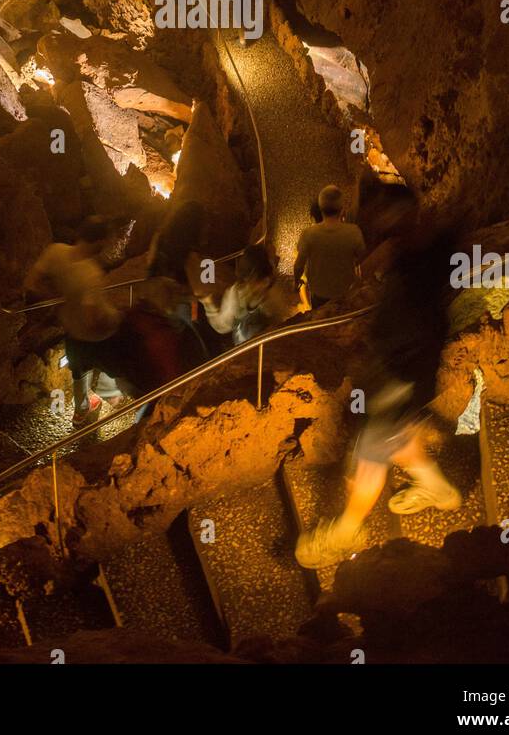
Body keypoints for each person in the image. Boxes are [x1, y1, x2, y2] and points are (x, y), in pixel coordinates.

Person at [295, 189, 462, 570]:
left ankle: (347, 531)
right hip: (399, 370)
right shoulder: (416, 251)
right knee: (394, 438)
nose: (379, 229)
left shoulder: (423, 255)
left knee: (371, 454)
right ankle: (438, 489)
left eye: (384, 220)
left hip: (402, 373)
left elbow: (417, 319)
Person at [24, 219, 130, 426]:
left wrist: (59, 296)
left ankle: (81, 412)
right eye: (105, 241)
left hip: (71, 329)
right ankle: (109, 393)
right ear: (98, 242)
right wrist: (115, 320)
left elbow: (32, 282)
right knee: (113, 360)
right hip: (96, 334)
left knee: (79, 371)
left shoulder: (55, 252)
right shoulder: (90, 274)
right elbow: (93, 319)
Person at [197, 244, 287, 344]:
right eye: (244, 282)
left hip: (262, 349)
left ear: (265, 280)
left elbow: (278, 324)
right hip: (246, 352)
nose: (246, 287)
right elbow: (222, 325)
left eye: (251, 282)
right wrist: (209, 305)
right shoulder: (235, 294)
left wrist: (209, 305)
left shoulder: (272, 298)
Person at [293, 184, 365, 309]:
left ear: (321, 209)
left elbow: (298, 265)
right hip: (345, 292)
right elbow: (361, 258)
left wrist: (296, 282)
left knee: (321, 318)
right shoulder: (353, 232)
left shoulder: (309, 234)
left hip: (320, 294)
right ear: (342, 209)